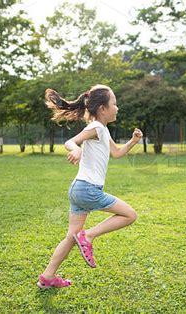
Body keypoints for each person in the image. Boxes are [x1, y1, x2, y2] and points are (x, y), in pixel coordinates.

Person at [37, 84, 142, 289]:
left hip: (78, 190)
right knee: (130, 215)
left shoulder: (103, 130)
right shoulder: (95, 128)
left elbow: (117, 153)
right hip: (88, 190)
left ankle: (48, 277)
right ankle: (89, 235)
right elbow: (71, 141)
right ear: (102, 108)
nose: (117, 108)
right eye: (114, 104)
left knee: (70, 237)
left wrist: (133, 141)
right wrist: (76, 149)